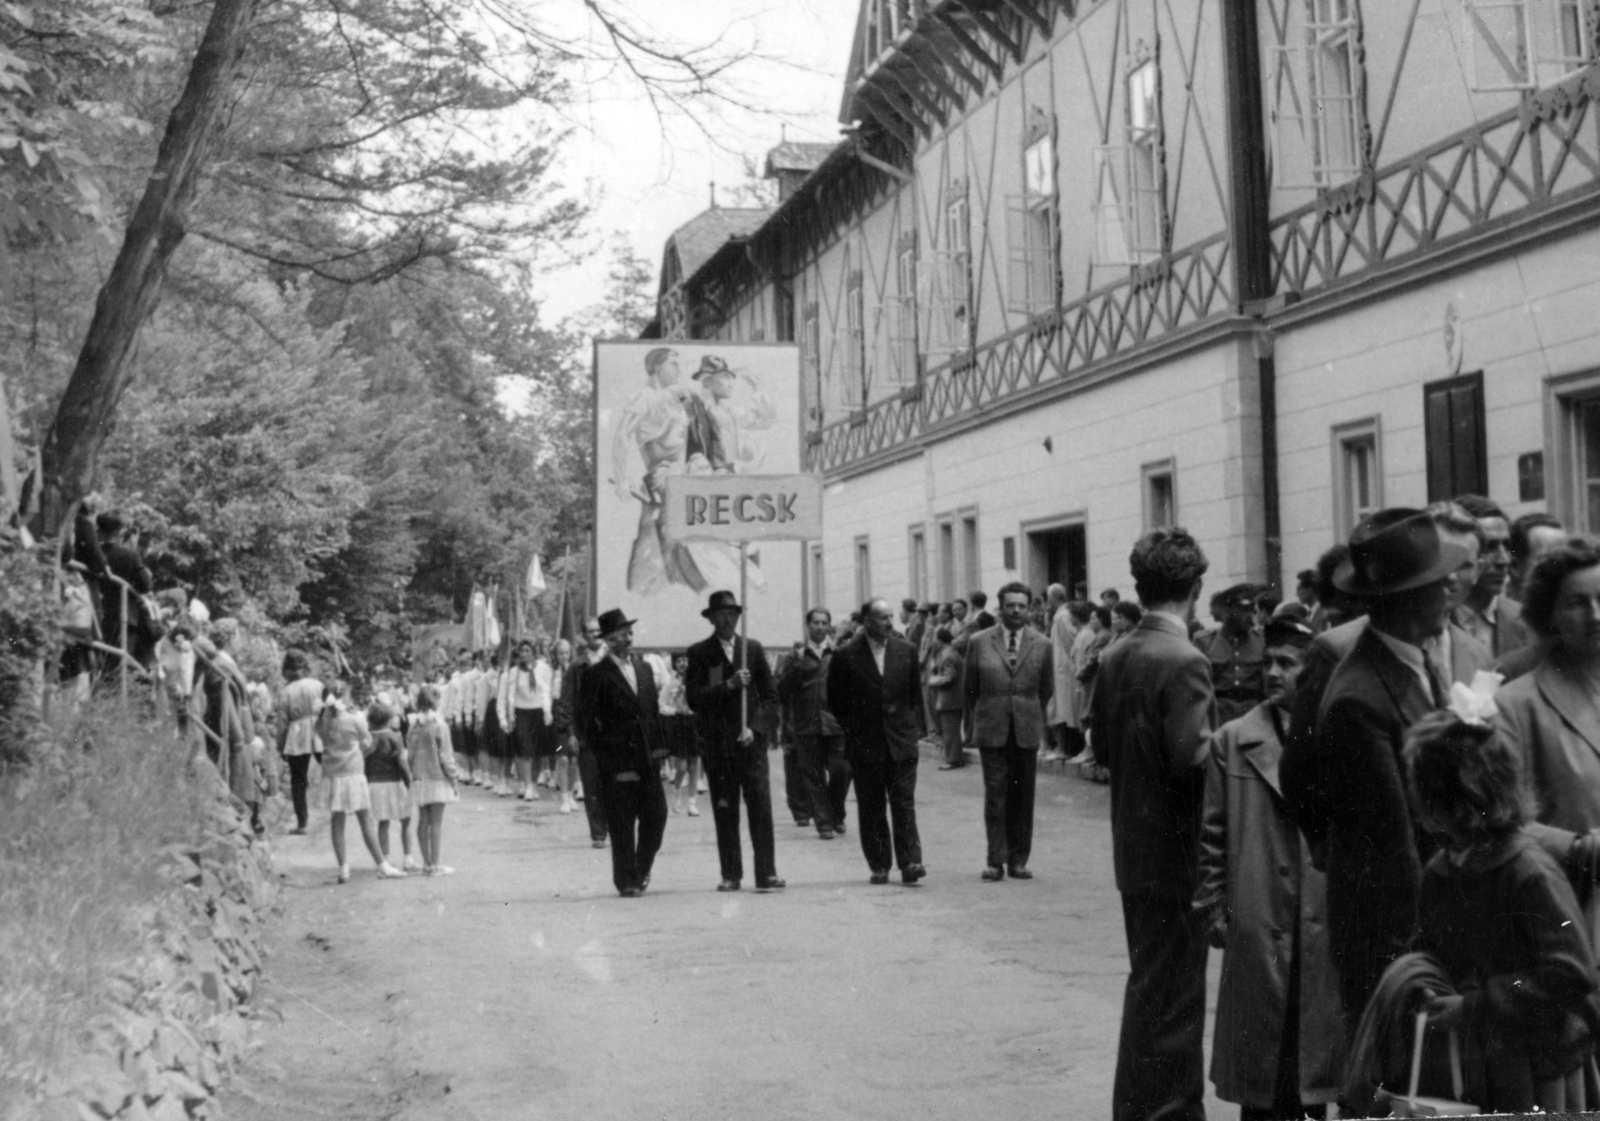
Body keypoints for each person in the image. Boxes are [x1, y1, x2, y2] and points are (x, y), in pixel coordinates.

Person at [1280, 508, 1465, 1037]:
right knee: (1395, 1087)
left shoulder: (1412, 661)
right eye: (1439, 582)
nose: (1451, 589)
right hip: (1396, 944)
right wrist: (1420, 961)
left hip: (1415, 932)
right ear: (1407, 596)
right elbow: (1391, 849)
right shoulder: (1359, 698)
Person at [1405, 707, 1599, 1114]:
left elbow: (1569, 973)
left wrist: (1474, 1007)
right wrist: (1421, 981)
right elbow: (1429, 945)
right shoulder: (1441, 871)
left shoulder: (1528, 873)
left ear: (1458, 805)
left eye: (1422, 793)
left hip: (1541, 1066)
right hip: (1477, 1063)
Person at [1194, 618, 1345, 1121]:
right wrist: (1215, 906)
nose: (1273, 674)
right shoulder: (1233, 740)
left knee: (1316, 1065)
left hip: (1322, 918)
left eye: (1288, 663)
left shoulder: (1337, 734)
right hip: (1259, 918)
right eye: (1269, 662)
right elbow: (1211, 834)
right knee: (1264, 1070)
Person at [1090, 527, 1212, 1121]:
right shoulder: (1185, 660)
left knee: (1149, 987)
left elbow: (1102, 748)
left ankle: (1138, 1108)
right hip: (1179, 854)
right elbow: (1194, 761)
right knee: (1178, 997)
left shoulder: (1115, 656)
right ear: (1196, 586)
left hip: (1134, 849)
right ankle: (1171, 1110)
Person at [1494, 536, 1600, 833]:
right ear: (1550, 614)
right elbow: (1503, 821)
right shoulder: (1516, 705)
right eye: (1577, 603)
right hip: (1572, 875)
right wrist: (1582, 848)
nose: (1595, 616)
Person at [685, 591, 784, 892]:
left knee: (761, 810)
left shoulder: (752, 650)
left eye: (733, 614)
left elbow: (770, 698)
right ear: (712, 618)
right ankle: (731, 873)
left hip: (750, 746)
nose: (728, 620)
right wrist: (728, 685)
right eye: (722, 614)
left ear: (739, 617)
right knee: (726, 810)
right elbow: (694, 699)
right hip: (719, 747)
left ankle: (766, 872)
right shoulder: (700, 653)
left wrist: (754, 727)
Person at [827, 598, 926, 885]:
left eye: (891, 616)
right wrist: (856, 728)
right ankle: (879, 864)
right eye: (882, 617)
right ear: (866, 621)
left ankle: (910, 862)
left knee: (903, 802)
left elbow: (913, 696)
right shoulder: (846, 655)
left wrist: (906, 727)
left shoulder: (906, 650)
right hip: (865, 742)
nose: (889, 622)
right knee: (871, 804)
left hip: (901, 742)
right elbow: (836, 700)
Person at [964, 581, 1053, 882]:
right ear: (1000, 608)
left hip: (1025, 729)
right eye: (1010, 605)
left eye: (1022, 605)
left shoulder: (1043, 644)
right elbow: (970, 687)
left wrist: (1026, 712)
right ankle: (995, 861)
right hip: (992, 728)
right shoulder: (979, 641)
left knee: (1023, 796)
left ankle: (1018, 860)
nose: (1016, 610)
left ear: (1029, 609)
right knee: (996, 796)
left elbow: (1046, 689)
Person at [581, 608, 669, 898]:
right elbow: (586, 722)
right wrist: (606, 756)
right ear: (608, 640)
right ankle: (626, 880)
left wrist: (660, 752)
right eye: (620, 636)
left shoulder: (644, 669)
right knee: (621, 822)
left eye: (629, 634)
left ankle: (641, 867)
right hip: (618, 760)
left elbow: (653, 713)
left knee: (656, 815)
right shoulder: (596, 674)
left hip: (648, 756)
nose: (627, 639)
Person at [316, 684, 406, 882]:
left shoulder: (323, 720)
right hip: (354, 773)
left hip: (332, 774)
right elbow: (369, 741)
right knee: (365, 820)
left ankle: (343, 868)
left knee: (337, 821)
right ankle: (382, 864)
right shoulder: (355, 719)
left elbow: (321, 737)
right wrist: (359, 753)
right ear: (346, 697)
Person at [777, 607, 850, 838]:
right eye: (816, 623)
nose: (820, 627)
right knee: (814, 776)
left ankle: (835, 811)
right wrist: (797, 664)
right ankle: (824, 824)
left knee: (842, 770)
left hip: (835, 724)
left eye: (824, 623)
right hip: (806, 724)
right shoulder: (795, 656)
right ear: (808, 625)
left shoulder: (838, 653)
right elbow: (782, 690)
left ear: (829, 626)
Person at [1451, 494, 1530, 660]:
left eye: (1507, 546)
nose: (1504, 560)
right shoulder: (1436, 621)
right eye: (1489, 546)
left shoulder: (1527, 620)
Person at [555, 618, 610, 848]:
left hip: (613, 733)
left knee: (613, 784)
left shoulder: (614, 661)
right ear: (584, 636)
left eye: (599, 631)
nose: (595, 635)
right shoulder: (577, 667)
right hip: (587, 735)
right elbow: (566, 702)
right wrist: (571, 733)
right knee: (591, 783)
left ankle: (615, 827)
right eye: (591, 631)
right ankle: (598, 833)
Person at [407, 683, 459, 875]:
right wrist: (453, 779)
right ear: (436, 702)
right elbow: (446, 757)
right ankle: (435, 865)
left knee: (423, 820)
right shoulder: (440, 726)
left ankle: (427, 863)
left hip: (419, 779)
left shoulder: (413, 727)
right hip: (437, 778)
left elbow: (410, 756)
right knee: (436, 823)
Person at [1194, 584, 1264, 726]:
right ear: (1228, 611)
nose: (1250, 617)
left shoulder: (1262, 641)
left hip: (1254, 718)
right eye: (1244, 610)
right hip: (1219, 719)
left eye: (1252, 611)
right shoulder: (1205, 642)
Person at [365, 702, 418, 872]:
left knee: (383, 822)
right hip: (395, 783)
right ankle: (408, 858)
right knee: (406, 820)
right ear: (389, 720)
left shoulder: (368, 738)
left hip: (375, 784)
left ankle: (386, 858)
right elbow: (402, 763)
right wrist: (409, 783)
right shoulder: (395, 737)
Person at [276, 651, 324, 835]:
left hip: (296, 734)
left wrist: (281, 745)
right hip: (319, 729)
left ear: (286, 670)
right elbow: (329, 709)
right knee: (331, 767)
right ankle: (345, 805)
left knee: (298, 780)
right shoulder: (318, 685)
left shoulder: (286, 691)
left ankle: (302, 823)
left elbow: (282, 722)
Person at [658, 651, 702, 816]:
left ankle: (692, 802)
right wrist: (675, 710)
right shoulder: (670, 682)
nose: (683, 663)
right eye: (679, 661)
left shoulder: (696, 680)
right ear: (674, 664)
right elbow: (661, 705)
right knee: (682, 767)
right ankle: (676, 795)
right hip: (679, 725)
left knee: (694, 765)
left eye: (685, 660)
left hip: (694, 724)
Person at [1044, 586, 1079, 764]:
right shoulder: (1060, 615)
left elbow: (1071, 641)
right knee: (1058, 708)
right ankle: (1061, 747)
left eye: (1049, 598)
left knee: (1061, 708)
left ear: (1054, 598)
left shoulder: (1061, 617)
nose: (1047, 603)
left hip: (1063, 669)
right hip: (1060, 667)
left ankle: (1063, 748)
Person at [926, 626, 966, 770]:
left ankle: (953, 760)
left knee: (950, 732)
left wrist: (933, 680)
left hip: (950, 699)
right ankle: (954, 758)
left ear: (940, 640)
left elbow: (949, 677)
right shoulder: (949, 653)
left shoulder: (948, 656)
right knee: (951, 731)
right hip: (952, 699)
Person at [1507, 512, 1565, 601]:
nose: (1562, 569)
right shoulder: (1498, 613)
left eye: (1565, 558)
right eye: (1549, 560)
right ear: (1514, 566)